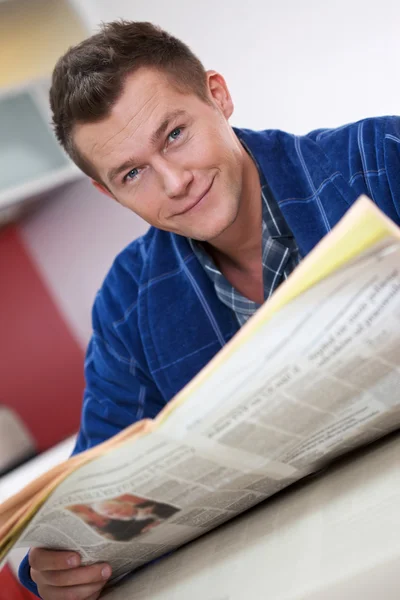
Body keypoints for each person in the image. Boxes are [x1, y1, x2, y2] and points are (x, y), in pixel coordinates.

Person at [20, 19, 400, 600]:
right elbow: (97, 483)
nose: (174, 182)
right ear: (108, 192)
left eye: (174, 135)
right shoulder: (126, 299)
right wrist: (52, 562)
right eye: (133, 173)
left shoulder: (382, 159)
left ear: (217, 96)